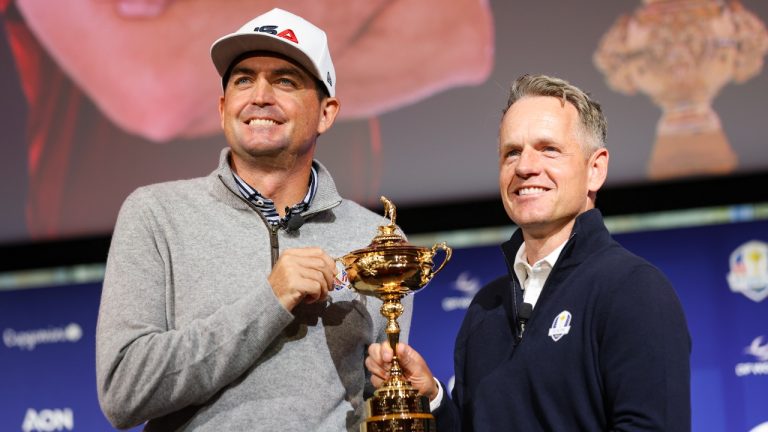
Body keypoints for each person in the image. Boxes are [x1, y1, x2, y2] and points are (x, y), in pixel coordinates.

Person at [95, 8, 412, 431]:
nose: (259, 95)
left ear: (326, 112)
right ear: (224, 107)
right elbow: (123, 391)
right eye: (243, 79)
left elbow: (379, 404)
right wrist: (271, 300)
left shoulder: (377, 239)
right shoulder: (155, 215)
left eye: (285, 80)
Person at [365, 74, 691, 431]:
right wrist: (434, 400)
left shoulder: (633, 289)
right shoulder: (486, 307)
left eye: (548, 148)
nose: (524, 167)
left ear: (595, 169)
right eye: (512, 152)